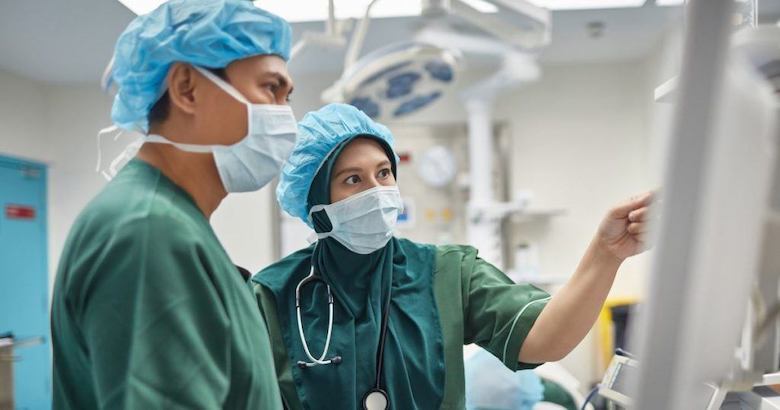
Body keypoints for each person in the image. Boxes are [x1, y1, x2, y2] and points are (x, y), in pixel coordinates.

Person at [252, 103, 652, 409]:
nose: (376, 192)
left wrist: (605, 254)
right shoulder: (272, 295)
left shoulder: (445, 273)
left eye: (384, 173)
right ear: (317, 202)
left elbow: (544, 338)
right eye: (352, 179)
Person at [50, 1, 295, 408]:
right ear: (186, 88)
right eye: (271, 89)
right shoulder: (148, 230)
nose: (286, 116)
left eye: (288, 96)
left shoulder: (174, 221)